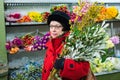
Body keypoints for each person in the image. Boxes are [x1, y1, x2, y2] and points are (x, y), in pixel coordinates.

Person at [41, 11, 95, 80]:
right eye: (51, 26)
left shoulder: (72, 44)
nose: (53, 30)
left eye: (57, 27)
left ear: (65, 28)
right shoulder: (51, 44)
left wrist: (65, 64)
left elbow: (84, 68)